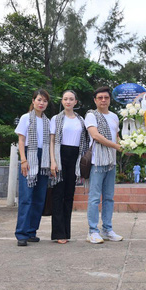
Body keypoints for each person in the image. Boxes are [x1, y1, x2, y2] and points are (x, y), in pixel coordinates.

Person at [49, 89, 90, 244]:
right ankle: (59, 233)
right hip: (60, 156)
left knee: (69, 195)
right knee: (58, 194)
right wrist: (53, 161)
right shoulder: (56, 119)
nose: (68, 101)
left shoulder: (81, 120)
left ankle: (66, 232)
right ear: (62, 101)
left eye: (71, 99)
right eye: (65, 99)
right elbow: (52, 141)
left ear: (75, 102)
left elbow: (85, 141)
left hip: (75, 157)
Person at [85, 86, 124, 244]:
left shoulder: (114, 116)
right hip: (97, 161)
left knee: (109, 198)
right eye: (100, 97)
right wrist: (117, 146)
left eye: (106, 98)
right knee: (94, 198)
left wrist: (130, 149)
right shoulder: (91, 115)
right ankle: (92, 231)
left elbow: (118, 138)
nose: (103, 100)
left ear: (110, 100)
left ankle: (107, 229)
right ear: (95, 100)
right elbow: (95, 136)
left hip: (111, 162)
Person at [15, 89, 52, 246]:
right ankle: (21, 233)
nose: (41, 103)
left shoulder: (48, 121)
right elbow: (21, 141)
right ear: (33, 101)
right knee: (26, 197)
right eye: (39, 99)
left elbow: (50, 144)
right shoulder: (26, 118)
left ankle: (31, 231)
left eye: (44, 101)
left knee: (39, 198)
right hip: (29, 157)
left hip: (43, 160)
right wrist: (23, 160)